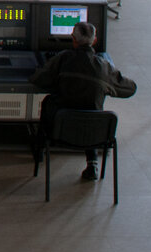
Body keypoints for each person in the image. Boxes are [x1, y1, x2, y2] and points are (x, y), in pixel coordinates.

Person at [29, 20, 135, 181]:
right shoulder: (104, 66)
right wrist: (106, 83)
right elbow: (130, 89)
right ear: (95, 41)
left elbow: (38, 79)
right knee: (91, 107)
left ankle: (41, 150)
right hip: (94, 133)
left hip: (61, 130)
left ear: (73, 39)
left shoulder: (63, 59)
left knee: (49, 101)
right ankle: (92, 163)